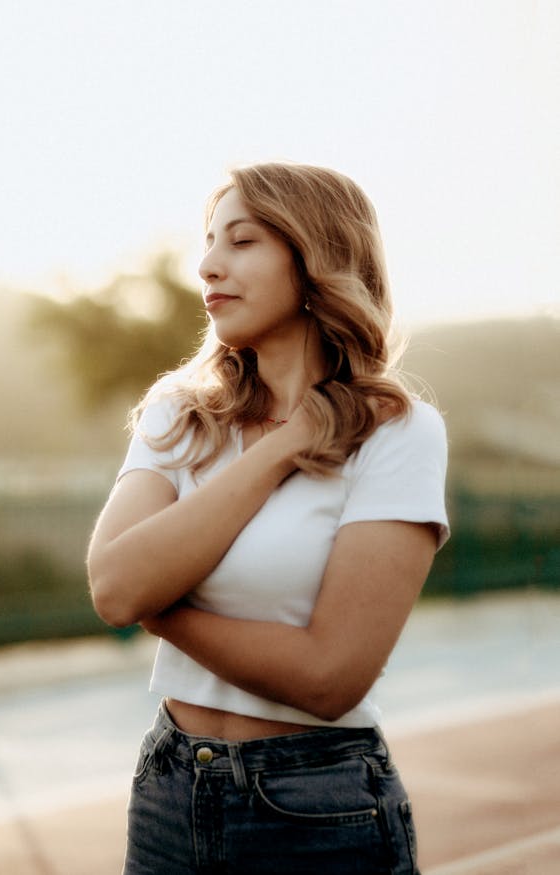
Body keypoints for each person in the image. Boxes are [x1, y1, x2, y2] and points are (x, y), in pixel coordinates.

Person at [87, 162, 449, 875]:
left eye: (241, 240)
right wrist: (282, 447)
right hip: (168, 789)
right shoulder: (180, 411)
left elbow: (330, 675)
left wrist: (161, 608)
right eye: (209, 241)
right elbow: (112, 585)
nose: (207, 264)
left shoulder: (397, 431)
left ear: (316, 255)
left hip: (319, 806)